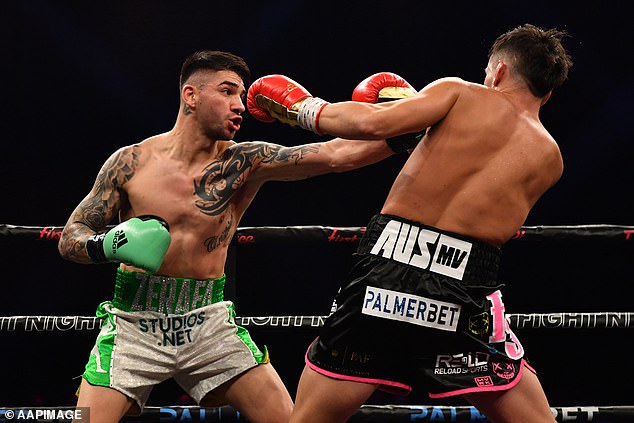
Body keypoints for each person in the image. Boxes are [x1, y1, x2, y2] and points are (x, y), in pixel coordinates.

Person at [57, 50, 415, 423]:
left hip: (208, 322)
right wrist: (106, 245)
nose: (239, 105)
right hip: (134, 323)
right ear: (191, 95)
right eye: (228, 92)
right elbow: (71, 237)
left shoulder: (245, 161)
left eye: (241, 95)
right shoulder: (130, 162)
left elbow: (336, 155)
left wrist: (407, 132)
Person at [247, 23, 573, 423]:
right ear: (549, 90)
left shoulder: (460, 92)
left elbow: (371, 124)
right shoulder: (550, 157)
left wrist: (303, 108)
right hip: (465, 286)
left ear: (500, 70)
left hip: (388, 270)